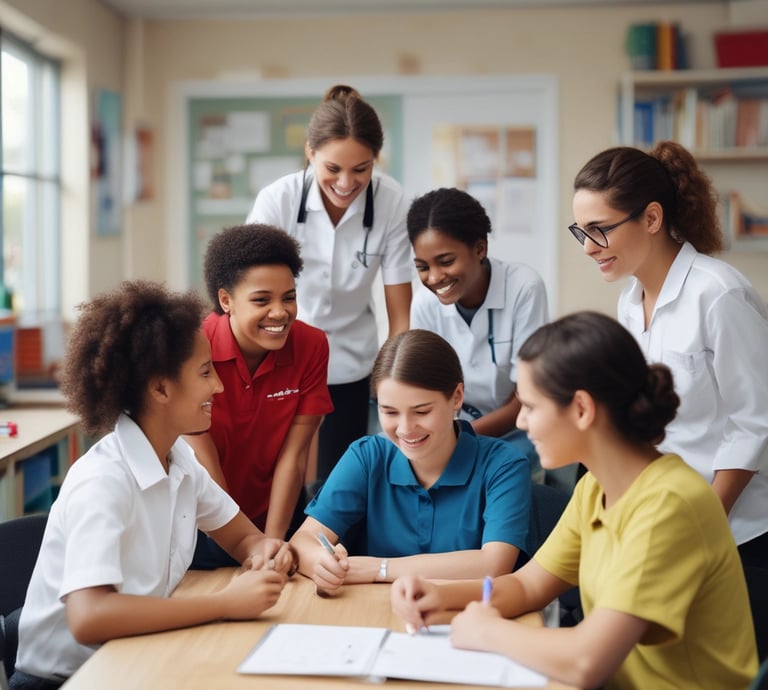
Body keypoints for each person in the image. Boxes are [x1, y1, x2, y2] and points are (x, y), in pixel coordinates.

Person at [392, 311, 758, 690]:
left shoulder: (669, 505)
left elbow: (588, 661)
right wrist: (440, 595)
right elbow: (528, 586)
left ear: (582, 409)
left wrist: (487, 632)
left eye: (531, 407)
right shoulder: (595, 488)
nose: (520, 423)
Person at [10, 281, 293, 690]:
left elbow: (245, 539)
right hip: (66, 680)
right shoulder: (103, 481)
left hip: (131, 660)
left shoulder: (180, 461)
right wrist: (225, 604)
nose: (218, 385)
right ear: (160, 388)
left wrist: (266, 553)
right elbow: (90, 617)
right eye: (205, 372)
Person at [571, 141, 768, 659]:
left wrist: (703, 521)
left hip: (738, 532)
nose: (589, 246)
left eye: (601, 229)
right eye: (581, 232)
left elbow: (753, 425)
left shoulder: (718, 294)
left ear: (652, 217)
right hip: (665, 519)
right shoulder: (630, 302)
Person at [246, 84, 413, 483]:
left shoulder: (391, 202)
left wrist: (394, 384)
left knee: (339, 480)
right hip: (280, 355)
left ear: (376, 159)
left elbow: (400, 316)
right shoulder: (278, 201)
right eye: (332, 169)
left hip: (350, 364)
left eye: (361, 169)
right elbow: (248, 293)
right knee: (277, 473)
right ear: (310, 152)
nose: (345, 183)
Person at [289, 329, 531, 595]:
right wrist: (323, 564)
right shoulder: (367, 456)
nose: (405, 429)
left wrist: (377, 569)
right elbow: (304, 541)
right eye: (389, 412)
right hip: (374, 616)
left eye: (421, 411)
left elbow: (494, 564)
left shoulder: (504, 465)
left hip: (469, 618)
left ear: (457, 397)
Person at [185, 224, 333, 568]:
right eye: (261, 300)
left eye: (289, 297)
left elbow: (293, 456)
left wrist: (272, 543)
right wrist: (245, 545)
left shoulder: (312, 346)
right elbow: (202, 458)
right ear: (226, 301)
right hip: (205, 519)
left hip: (275, 514)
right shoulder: (193, 345)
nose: (280, 312)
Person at [407, 187, 548, 480]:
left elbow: (525, 398)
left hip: (516, 428)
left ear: (479, 249)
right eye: (422, 267)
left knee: (496, 474)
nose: (433, 278)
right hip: (448, 430)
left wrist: (456, 437)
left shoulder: (524, 287)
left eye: (446, 261)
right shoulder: (424, 303)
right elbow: (421, 388)